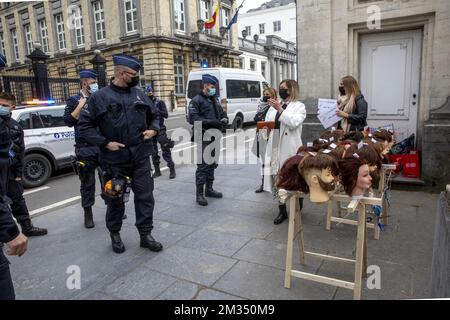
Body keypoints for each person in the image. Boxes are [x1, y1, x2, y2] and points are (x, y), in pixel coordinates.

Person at [78, 54, 163, 254]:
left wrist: (154, 129)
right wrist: (106, 143)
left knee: (145, 197)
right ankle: (115, 234)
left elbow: (155, 116)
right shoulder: (100, 97)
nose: (136, 77)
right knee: (115, 199)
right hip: (114, 160)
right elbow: (84, 127)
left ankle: (145, 235)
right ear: (119, 73)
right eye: (133, 74)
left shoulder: (140, 95)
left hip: (141, 156)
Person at [0, 53, 28, 300]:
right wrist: (9, 230)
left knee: (17, 200)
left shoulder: (11, 124)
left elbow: (19, 148)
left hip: (10, 173)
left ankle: (27, 223)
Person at [0, 93, 47, 237]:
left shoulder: (15, 126)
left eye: (4, 105)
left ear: (12, 107)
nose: (1, 108)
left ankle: (27, 227)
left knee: (17, 200)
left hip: (10, 172)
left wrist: (19, 174)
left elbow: (19, 152)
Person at [263, 79, 307, 225]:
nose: (280, 90)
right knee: (277, 178)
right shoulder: (275, 105)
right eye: (280, 88)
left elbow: (293, 123)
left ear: (291, 90)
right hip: (274, 145)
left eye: (283, 88)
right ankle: (281, 210)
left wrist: (280, 110)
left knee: (293, 177)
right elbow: (269, 123)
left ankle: (298, 202)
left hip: (290, 147)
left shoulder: (299, 106)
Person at [64, 70, 101, 228]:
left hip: (102, 146)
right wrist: (81, 104)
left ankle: (113, 206)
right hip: (85, 149)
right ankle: (88, 214)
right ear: (85, 83)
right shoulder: (73, 100)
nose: (95, 85)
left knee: (108, 178)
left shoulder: (100, 98)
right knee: (87, 183)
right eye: (93, 82)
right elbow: (68, 121)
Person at [188, 74, 228, 206]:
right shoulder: (196, 100)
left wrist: (224, 118)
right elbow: (194, 119)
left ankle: (209, 189)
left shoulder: (214, 99)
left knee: (212, 163)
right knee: (203, 166)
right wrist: (214, 122)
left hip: (215, 135)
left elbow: (220, 113)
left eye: (214, 87)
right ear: (205, 85)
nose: (214, 89)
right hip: (203, 136)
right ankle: (199, 194)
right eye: (212, 87)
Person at [145, 84, 176, 179]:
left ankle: (172, 169)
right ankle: (157, 170)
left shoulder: (159, 102)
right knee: (153, 151)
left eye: (150, 91)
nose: (149, 93)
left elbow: (166, 115)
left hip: (160, 128)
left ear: (153, 92)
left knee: (165, 148)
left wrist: (157, 110)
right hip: (150, 130)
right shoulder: (145, 104)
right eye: (147, 91)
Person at [252, 87, 277, 193]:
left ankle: (273, 183)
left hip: (271, 137)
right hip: (261, 135)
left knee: (272, 161)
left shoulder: (275, 107)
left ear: (273, 96)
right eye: (264, 94)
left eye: (268, 94)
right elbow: (255, 119)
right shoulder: (261, 106)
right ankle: (264, 183)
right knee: (263, 161)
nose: (265, 96)